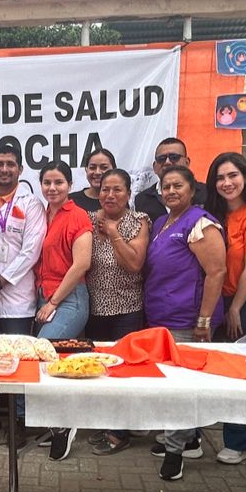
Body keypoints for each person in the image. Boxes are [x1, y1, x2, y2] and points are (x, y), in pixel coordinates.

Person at [143, 166, 226, 481]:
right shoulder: (162, 223)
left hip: (188, 321)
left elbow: (216, 272)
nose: (171, 191)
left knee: (180, 389)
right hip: (161, 316)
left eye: (178, 185)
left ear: (192, 190)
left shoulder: (200, 222)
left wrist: (203, 320)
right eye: (166, 187)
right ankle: (189, 439)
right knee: (172, 384)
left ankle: (174, 453)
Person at [0, 143, 44, 443]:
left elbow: (32, 250)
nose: (4, 169)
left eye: (10, 164)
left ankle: (20, 418)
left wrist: (0, 282)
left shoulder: (32, 204)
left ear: (20, 169)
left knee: (18, 358)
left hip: (16, 296)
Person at [204, 152, 246, 465]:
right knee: (214, 368)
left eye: (233, 175)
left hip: (240, 304)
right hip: (214, 300)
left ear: (245, 177)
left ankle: (242, 441)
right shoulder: (213, 215)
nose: (227, 183)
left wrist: (235, 309)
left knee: (240, 373)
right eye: (220, 178)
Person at [84, 168, 150, 457]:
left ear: (128, 193)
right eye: (105, 190)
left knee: (123, 370)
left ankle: (120, 432)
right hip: (94, 308)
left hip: (127, 308)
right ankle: (104, 423)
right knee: (99, 369)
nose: (110, 195)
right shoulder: (88, 220)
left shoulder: (138, 221)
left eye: (117, 189)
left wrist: (113, 233)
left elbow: (135, 264)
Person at [34, 162, 94, 460]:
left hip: (69, 300)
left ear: (70, 185)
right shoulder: (43, 214)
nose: (52, 188)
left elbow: (81, 264)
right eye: (47, 182)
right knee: (56, 362)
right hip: (44, 296)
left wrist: (54, 302)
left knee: (44, 352)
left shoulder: (77, 215)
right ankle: (55, 420)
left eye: (58, 182)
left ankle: (64, 424)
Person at [133, 138, 204, 222]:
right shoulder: (142, 199)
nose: (167, 162)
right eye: (161, 159)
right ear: (154, 166)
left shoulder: (207, 192)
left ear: (187, 162)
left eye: (174, 157)